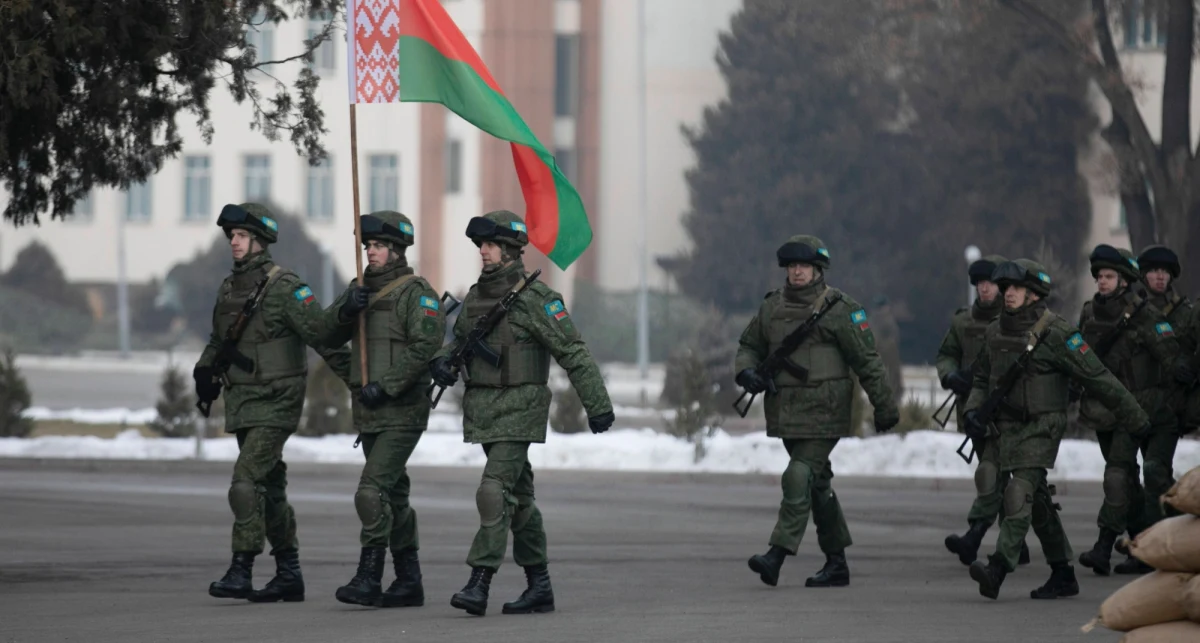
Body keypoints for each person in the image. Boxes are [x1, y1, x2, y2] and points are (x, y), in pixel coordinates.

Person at [429, 210, 615, 617]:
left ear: (511, 251)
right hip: (484, 411)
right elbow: (456, 342)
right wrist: (443, 362)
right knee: (520, 500)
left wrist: (597, 406)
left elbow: (574, 353)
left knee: (493, 490)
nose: (483, 251)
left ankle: (480, 582)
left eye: (491, 245)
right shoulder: (477, 297)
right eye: (481, 245)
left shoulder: (537, 300)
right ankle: (539, 586)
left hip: (521, 408)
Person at [963, 259, 1148, 601]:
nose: (1008, 294)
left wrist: (1136, 419)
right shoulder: (994, 331)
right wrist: (973, 409)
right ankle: (1063, 573)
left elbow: (1099, 379)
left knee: (1018, 493)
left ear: (1034, 294)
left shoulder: (1058, 333)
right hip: (1006, 427)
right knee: (1038, 506)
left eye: (1016, 288)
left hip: (1043, 426)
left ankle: (997, 569)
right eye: (1006, 288)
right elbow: (980, 378)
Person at [196, 203, 350, 603]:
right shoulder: (230, 288)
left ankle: (241, 567)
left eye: (241, 236)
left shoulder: (285, 288)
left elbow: (321, 332)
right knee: (271, 488)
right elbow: (219, 340)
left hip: (278, 399)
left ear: (260, 241)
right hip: (243, 400)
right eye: (231, 236)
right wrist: (204, 372)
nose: (234, 242)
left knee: (245, 482)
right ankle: (289, 574)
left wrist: (360, 379)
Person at [735, 235, 899, 588]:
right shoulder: (772, 307)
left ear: (817, 269)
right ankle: (837, 562)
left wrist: (884, 405)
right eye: (793, 266)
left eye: (804, 266)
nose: (797, 272)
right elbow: (750, 344)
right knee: (816, 484)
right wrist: (746, 370)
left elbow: (867, 361)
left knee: (797, 475)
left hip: (826, 412)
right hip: (786, 412)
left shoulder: (840, 309)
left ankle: (776, 555)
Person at [314, 211, 445, 608]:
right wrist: (344, 311)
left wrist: (383, 387)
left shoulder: (414, 293)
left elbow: (426, 346)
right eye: (368, 246)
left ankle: (369, 577)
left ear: (398, 250)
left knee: (370, 492)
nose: (371, 252)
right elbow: (322, 335)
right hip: (369, 413)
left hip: (403, 412)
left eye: (379, 246)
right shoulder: (358, 289)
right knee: (395, 497)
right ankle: (409, 581)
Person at [1075, 245, 1180, 577]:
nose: (1102, 282)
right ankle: (1142, 544)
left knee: (1118, 474)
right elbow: (1077, 353)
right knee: (1127, 484)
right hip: (1100, 410)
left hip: (1134, 410)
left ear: (1123, 280)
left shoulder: (1145, 315)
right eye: (1099, 277)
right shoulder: (1089, 313)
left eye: (1109, 276)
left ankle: (1104, 545)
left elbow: (1172, 358)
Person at [938, 254, 1029, 566]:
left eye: (990, 283)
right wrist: (951, 376)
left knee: (1004, 478)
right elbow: (947, 353)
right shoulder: (963, 321)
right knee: (993, 475)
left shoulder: (1016, 320)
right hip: (976, 412)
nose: (985, 289)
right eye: (979, 283)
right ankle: (1011, 540)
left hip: (1012, 411)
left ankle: (997, 538)